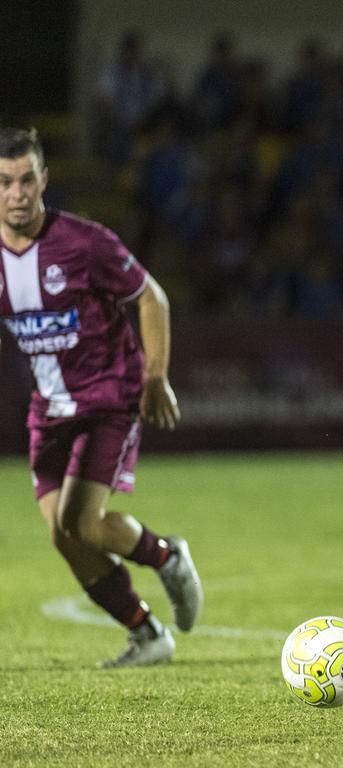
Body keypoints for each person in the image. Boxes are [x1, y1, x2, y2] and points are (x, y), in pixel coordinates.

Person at [0, 128, 202, 668]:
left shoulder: (85, 243)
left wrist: (156, 378)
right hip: (49, 409)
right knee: (64, 537)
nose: (16, 193)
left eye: (25, 180)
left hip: (109, 397)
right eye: (4, 183)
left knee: (84, 522)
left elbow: (151, 298)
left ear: (44, 178)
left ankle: (167, 556)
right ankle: (148, 633)